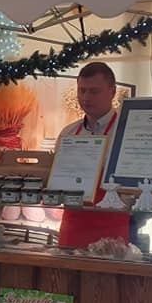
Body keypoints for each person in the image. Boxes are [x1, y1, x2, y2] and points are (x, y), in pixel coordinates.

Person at [55, 62, 124, 248]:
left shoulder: (126, 133)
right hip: (73, 228)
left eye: (94, 91)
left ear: (112, 92)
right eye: (82, 90)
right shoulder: (68, 134)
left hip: (113, 231)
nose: (86, 98)